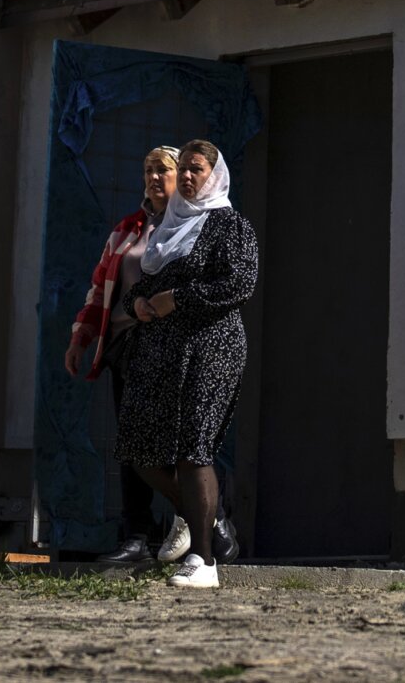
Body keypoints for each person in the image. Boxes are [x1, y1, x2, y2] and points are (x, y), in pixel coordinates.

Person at [117, 137, 258, 589]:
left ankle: (203, 561)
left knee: (194, 447)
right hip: (161, 350)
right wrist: (139, 303)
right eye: (188, 168)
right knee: (138, 448)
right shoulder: (166, 228)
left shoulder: (229, 225)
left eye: (199, 169)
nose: (191, 176)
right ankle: (203, 519)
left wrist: (176, 299)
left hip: (211, 347)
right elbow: (141, 285)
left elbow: (239, 284)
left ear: (214, 176)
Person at [64, 145, 191, 567]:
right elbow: (100, 287)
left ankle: (202, 521)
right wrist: (80, 337)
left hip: (170, 350)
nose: (155, 178)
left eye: (164, 171)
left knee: (170, 442)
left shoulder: (192, 226)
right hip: (126, 349)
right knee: (130, 445)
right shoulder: (127, 229)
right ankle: (137, 534)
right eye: (149, 170)